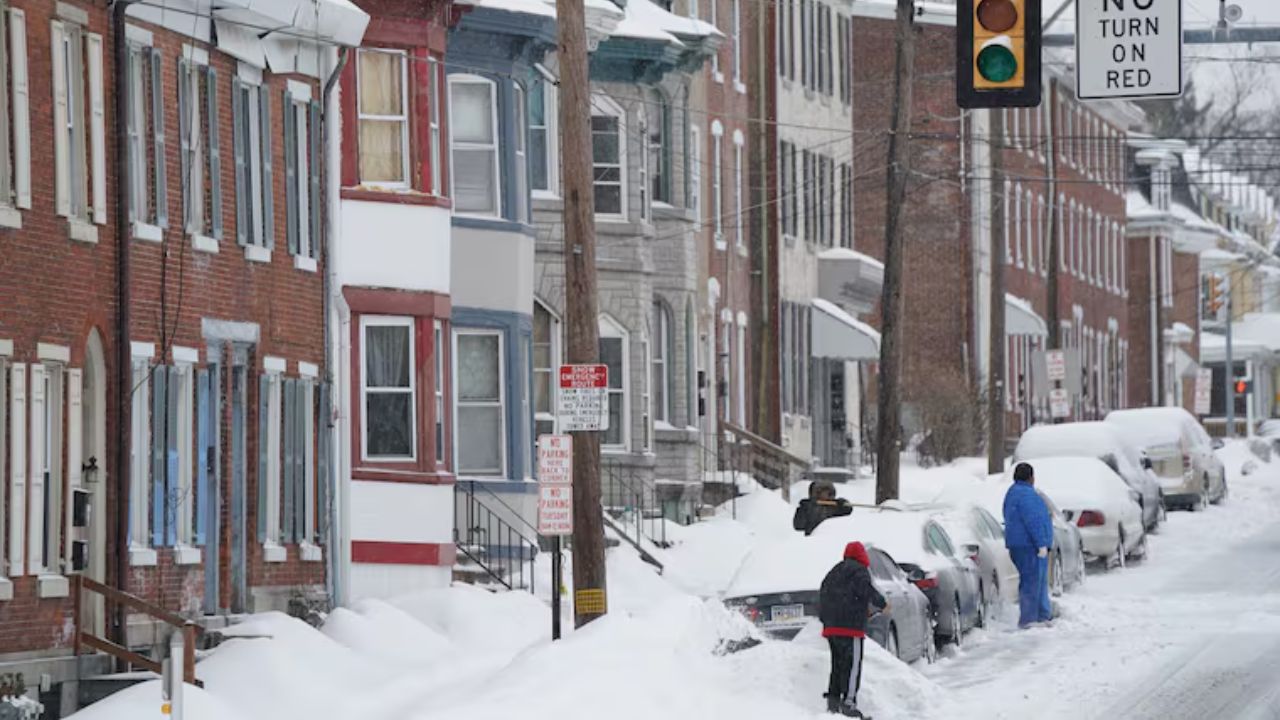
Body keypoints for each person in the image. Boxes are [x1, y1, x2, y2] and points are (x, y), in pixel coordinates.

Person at [819, 541, 887, 718]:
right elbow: (865, 590)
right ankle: (849, 703)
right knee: (852, 666)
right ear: (862, 555)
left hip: (831, 628)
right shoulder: (859, 571)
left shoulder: (834, 571)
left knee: (837, 665)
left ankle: (833, 703)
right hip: (850, 628)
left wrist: (826, 620)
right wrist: (882, 603)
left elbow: (823, 594)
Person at [1002, 462, 1054, 628]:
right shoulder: (1027, 495)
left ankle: (1039, 615)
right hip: (1029, 546)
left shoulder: (1012, 493)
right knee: (1033, 581)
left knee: (1033, 580)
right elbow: (1034, 521)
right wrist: (1041, 544)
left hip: (1018, 544)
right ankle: (1031, 618)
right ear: (1031, 478)